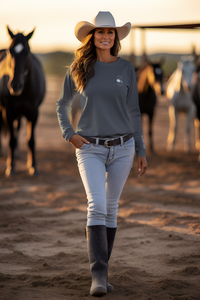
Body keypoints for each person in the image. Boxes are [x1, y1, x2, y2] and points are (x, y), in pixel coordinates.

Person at [56, 11, 147, 297]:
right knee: (96, 205)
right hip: (90, 148)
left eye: (111, 32)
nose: (106, 36)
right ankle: (98, 276)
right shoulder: (79, 68)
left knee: (111, 208)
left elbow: (134, 111)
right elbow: (62, 105)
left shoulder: (126, 69)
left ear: (115, 37)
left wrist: (140, 149)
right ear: (92, 37)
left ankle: (103, 273)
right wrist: (69, 134)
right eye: (100, 32)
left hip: (123, 148)